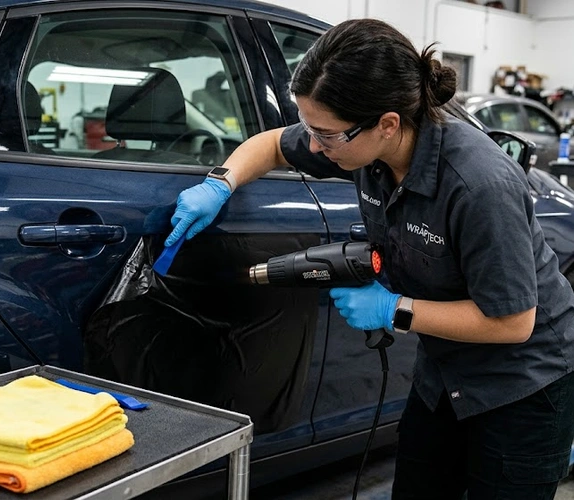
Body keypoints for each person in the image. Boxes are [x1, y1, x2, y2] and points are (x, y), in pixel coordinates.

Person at [164, 18, 574, 500]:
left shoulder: (479, 184)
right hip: (442, 373)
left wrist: (393, 310)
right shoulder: (360, 144)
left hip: (522, 383)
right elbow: (274, 145)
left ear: (387, 124)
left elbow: (512, 323)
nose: (315, 146)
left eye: (327, 135)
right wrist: (220, 182)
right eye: (312, 129)